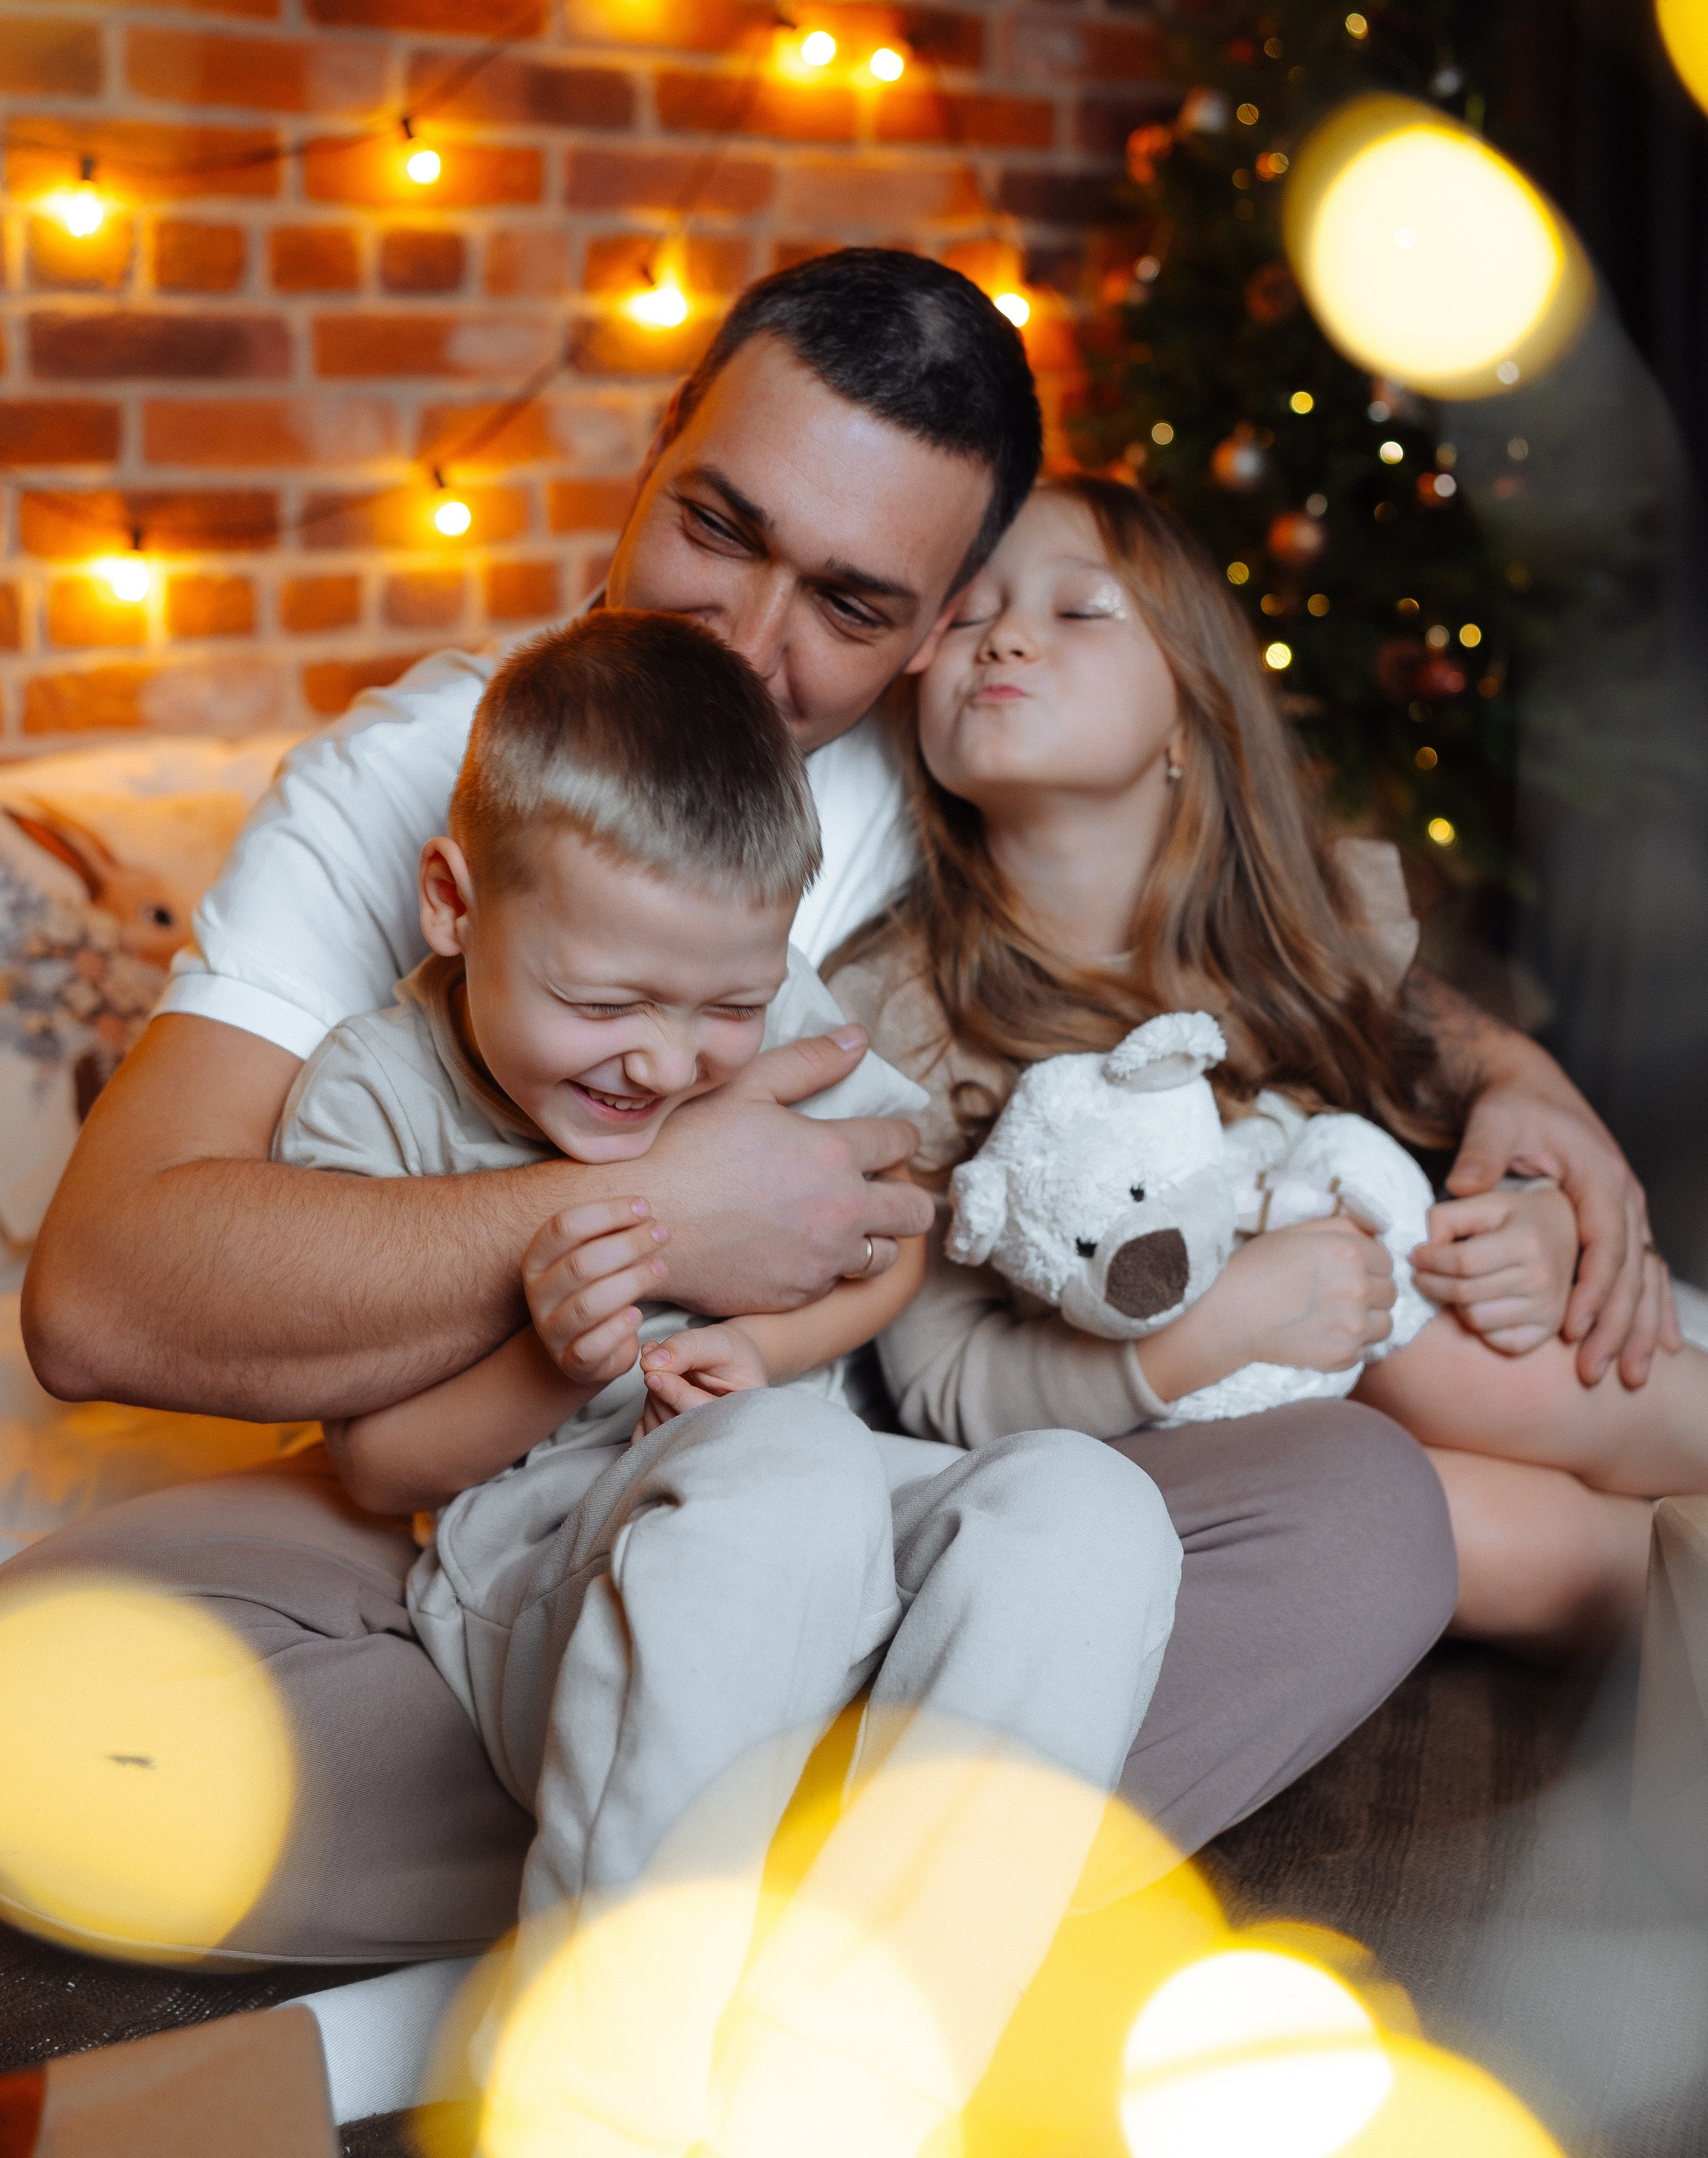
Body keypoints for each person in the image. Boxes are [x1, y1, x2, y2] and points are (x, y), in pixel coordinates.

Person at [10, 251, 1647, 1964]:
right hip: (516, 1509)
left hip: (876, 1482)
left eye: (853, 607)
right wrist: (659, 1213)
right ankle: (801, 1909)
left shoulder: (931, 767)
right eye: (716, 526)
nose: (749, 640)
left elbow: (1222, 914)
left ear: (940, 634)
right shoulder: (412, 786)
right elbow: (104, 1293)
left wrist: (1511, 1077)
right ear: (654, 449)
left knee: (1354, 1515)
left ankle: (673, 1903)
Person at [278, 607, 1178, 2155]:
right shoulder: (377, 1091)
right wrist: (551, 1360)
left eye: (722, 1006)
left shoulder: (790, 1023)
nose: (668, 1063)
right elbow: (378, 1470)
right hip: (556, 1561)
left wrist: (766, 1346)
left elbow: (887, 1226)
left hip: (806, 1531)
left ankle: (851, 2084)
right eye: (605, 1003)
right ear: (452, 903)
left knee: (1088, 1511)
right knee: (791, 1476)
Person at [833, 475, 1695, 1673]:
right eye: (969, 617)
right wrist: (1205, 1338)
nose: (1010, 636)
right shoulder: (901, 1015)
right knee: (1496, 1528)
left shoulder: (1299, 931)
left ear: (1188, 715)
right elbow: (941, 1382)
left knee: (1437, 1355)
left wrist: (1537, 1224)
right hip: (1164, 1450)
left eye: (1082, 611)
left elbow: (1482, 1126)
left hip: (1416, 1371)